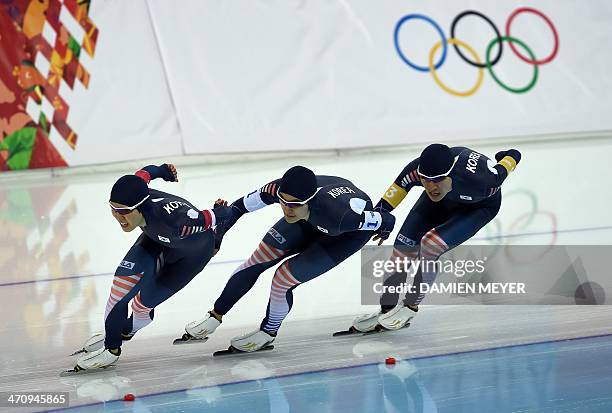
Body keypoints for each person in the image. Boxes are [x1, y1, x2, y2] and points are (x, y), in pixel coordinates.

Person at [182, 165, 396, 352]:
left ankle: (268, 332)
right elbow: (237, 208)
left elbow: (387, 219)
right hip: (308, 218)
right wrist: (218, 238)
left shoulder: (343, 217)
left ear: (309, 201)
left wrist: (384, 230)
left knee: (282, 278)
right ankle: (214, 316)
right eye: (283, 203)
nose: (286, 209)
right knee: (259, 258)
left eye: (293, 205)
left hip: (343, 233)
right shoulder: (277, 190)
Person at [71, 163, 230, 372]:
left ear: (140, 207)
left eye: (125, 212)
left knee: (141, 306)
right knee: (120, 289)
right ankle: (111, 350)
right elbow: (146, 173)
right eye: (114, 210)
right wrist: (164, 171)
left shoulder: (178, 222)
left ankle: (127, 330)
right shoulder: (139, 187)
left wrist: (218, 231)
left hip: (191, 257)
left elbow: (219, 216)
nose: (119, 218)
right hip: (156, 240)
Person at [351, 144, 521, 332]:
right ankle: (387, 308)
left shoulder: (483, 181)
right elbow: (396, 191)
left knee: (430, 245)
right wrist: (378, 219)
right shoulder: (416, 171)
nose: (431, 186)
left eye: (437, 180)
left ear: (450, 174)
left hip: (478, 208)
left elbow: (506, 165)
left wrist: (509, 156)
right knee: (402, 247)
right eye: (425, 180)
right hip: (442, 202)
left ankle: (410, 307)